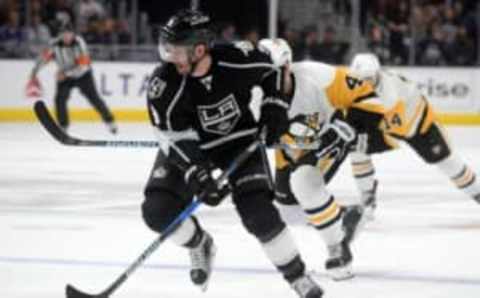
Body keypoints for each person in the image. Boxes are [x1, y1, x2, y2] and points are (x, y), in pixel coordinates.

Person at [141, 10, 323, 298]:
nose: (169, 56)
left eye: (175, 49)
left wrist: (275, 106)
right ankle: (199, 244)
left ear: (199, 49)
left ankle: (297, 277)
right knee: (157, 211)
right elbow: (171, 136)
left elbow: (276, 68)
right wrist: (196, 172)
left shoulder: (237, 59)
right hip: (193, 147)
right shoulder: (164, 84)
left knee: (259, 215)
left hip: (239, 142)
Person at [258, 39, 390, 281]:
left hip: (329, 136)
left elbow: (369, 98)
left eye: (272, 73)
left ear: (287, 67)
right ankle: (345, 216)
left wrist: (348, 128)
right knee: (287, 210)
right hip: (292, 149)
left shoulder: (319, 77)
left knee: (304, 182)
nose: (265, 81)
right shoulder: (252, 95)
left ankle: (338, 249)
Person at [347, 53, 480, 220]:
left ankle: (477, 193)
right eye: (361, 79)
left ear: (377, 75)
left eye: (369, 79)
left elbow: (392, 126)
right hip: (390, 123)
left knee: (450, 164)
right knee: (357, 148)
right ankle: (367, 198)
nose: (365, 84)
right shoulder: (353, 84)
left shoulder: (390, 93)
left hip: (418, 125)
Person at [27, 20, 117, 134]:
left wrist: (65, 74)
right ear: (60, 34)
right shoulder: (54, 44)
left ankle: (110, 122)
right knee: (60, 99)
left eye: (69, 33)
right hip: (65, 77)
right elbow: (44, 58)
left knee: (94, 99)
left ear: (73, 34)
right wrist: (34, 71)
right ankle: (63, 126)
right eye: (64, 33)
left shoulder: (79, 43)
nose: (66, 36)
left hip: (83, 76)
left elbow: (84, 64)